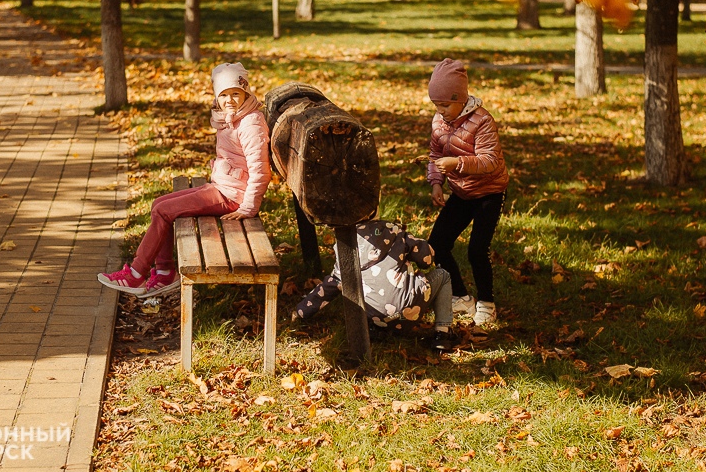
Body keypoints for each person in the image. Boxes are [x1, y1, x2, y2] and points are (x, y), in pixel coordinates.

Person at [98, 62, 271, 298]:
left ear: (246, 92)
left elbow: (260, 169)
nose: (229, 100)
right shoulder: (232, 117)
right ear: (216, 97)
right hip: (223, 186)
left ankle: (136, 275)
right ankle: (164, 272)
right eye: (223, 95)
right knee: (158, 205)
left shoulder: (250, 123)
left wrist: (249, 207)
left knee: (164, 211)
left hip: (233, 196)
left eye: (235, 94)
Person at [426, 58, 509, 326]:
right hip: (461, 193)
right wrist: (437, 181)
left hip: (488, 193)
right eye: (436, 105)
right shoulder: (439, 121)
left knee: (477, 249)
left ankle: (486, 303)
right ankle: (461, 296)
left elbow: (490, 161)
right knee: (437, 244)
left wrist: (457, 164)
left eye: (445, 104)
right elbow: (435, 154)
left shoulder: (482, 121)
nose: (440, 110)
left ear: (460, 98)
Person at [292, 220, 458, 352]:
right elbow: (427, 260)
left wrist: (300, 312)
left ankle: (375, 328)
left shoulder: (345, 245)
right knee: (443, 275)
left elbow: (328, 288)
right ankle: (442, 334)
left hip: (377, 315)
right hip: (411, 306)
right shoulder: (393, 230)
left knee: (361, 288)